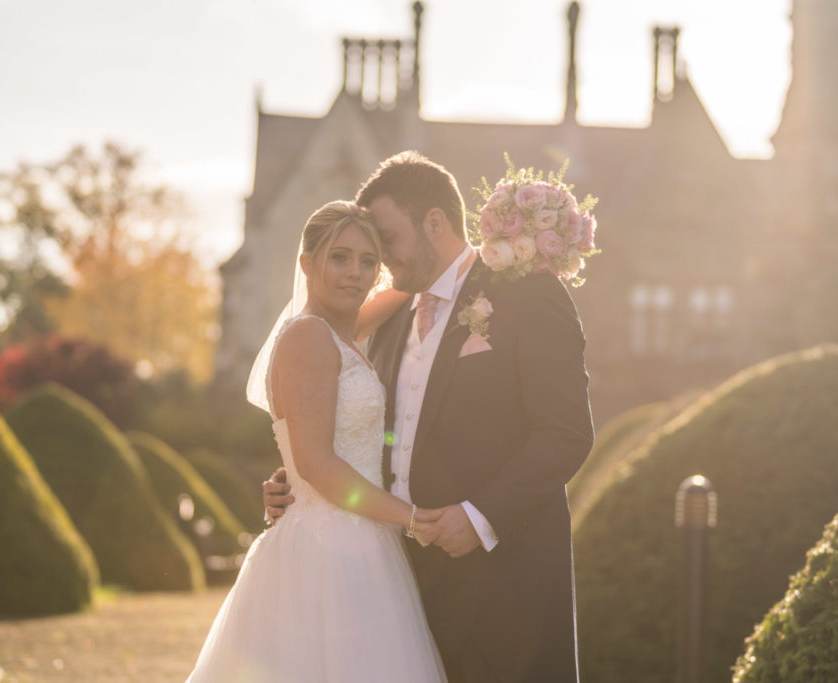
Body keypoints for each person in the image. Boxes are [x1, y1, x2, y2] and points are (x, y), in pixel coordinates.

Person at [264, 152, 595, 682]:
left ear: (434, 223)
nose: (378, 261)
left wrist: (479, 515)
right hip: (398, 590)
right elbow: (351, 428)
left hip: (505, 594)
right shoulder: (390, 320)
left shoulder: (526, 293)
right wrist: (299, 481)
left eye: (386, 242)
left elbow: (566, 433)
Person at [187, 200, 446, 682]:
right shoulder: (308, 336)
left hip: (361, 541)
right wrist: (411, 518)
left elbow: (409, 281)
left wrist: (491, 246)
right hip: (328, 552)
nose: (356, 273)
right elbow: (317, 464)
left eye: (369, 261)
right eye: (340, 257)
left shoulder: (340, 333)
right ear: (306, 264)